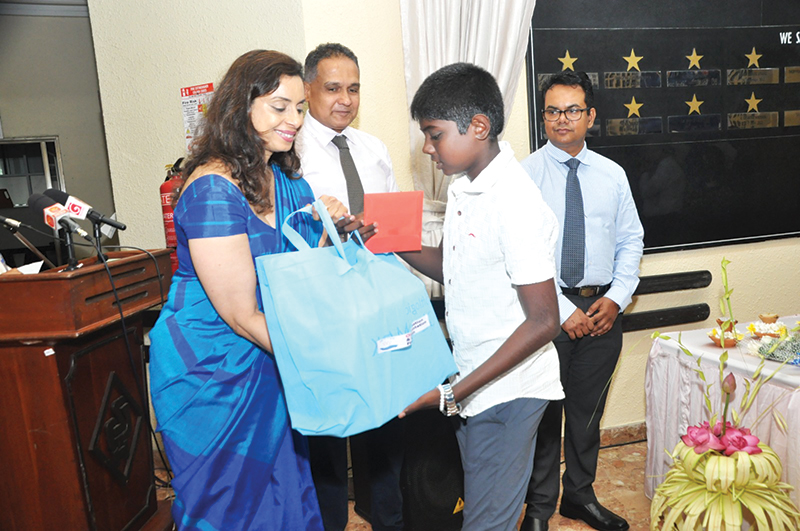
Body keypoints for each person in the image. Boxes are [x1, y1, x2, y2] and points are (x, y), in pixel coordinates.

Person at [148, 50, 359, 531]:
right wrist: (322, 360)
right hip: (214, 365)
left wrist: (330, 230)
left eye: (299, 108)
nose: (295, 121)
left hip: (274, 350)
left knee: (285, 494)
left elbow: (306, 275)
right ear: (240, 108)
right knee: (229, 505)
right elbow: (241, 315)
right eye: (279, 107)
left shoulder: (288, 181)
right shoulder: (211, 189)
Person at [398, 62, 564, 531]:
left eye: (434, 134)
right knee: (481, 510)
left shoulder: (514, 201)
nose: (427, 148)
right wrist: (391, 242)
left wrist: (454, 393)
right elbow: (457, 270)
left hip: (506, 390)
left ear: (478, 127)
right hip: (473, 382)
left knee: (487, 523)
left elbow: (544, 321)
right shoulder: (466, 186)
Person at [518, 71, 644, 531]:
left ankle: (579, 495)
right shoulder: (524, 175)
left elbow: (631, 241)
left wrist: (617, 298)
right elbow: (520, 250)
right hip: (543, 312)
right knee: (543, 416)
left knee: (587, 415)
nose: (561, 119)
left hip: (602, 311)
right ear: (543, 117)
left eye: (572, 110)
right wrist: (560, 308)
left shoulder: (612, 175)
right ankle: (538, 510)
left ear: (590, 116)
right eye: (552, 111)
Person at [296, 42, 404, 531]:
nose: (345, 99)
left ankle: (386, 516)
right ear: (308, 90)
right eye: (333, 88)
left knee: (383, 417)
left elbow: (393, 225)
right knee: (327, 428)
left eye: (354, 88)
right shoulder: (290, 153)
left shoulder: (373, 148)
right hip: (322, 306)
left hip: (376, 299)